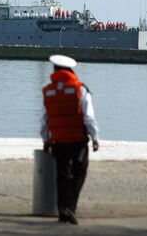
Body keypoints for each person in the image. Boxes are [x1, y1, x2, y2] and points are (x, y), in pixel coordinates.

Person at [40, 54, 100, 225]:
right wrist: (95, 137)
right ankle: (70, 208)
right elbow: (89, 117)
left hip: (58, 142)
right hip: (78, 140)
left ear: (54, 70)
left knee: (62, 175)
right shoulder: (80, 89)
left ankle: (62, 211)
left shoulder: (48, 91)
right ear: (71, 70)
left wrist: (46, 140)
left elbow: (44, 120)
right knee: (78, 174)